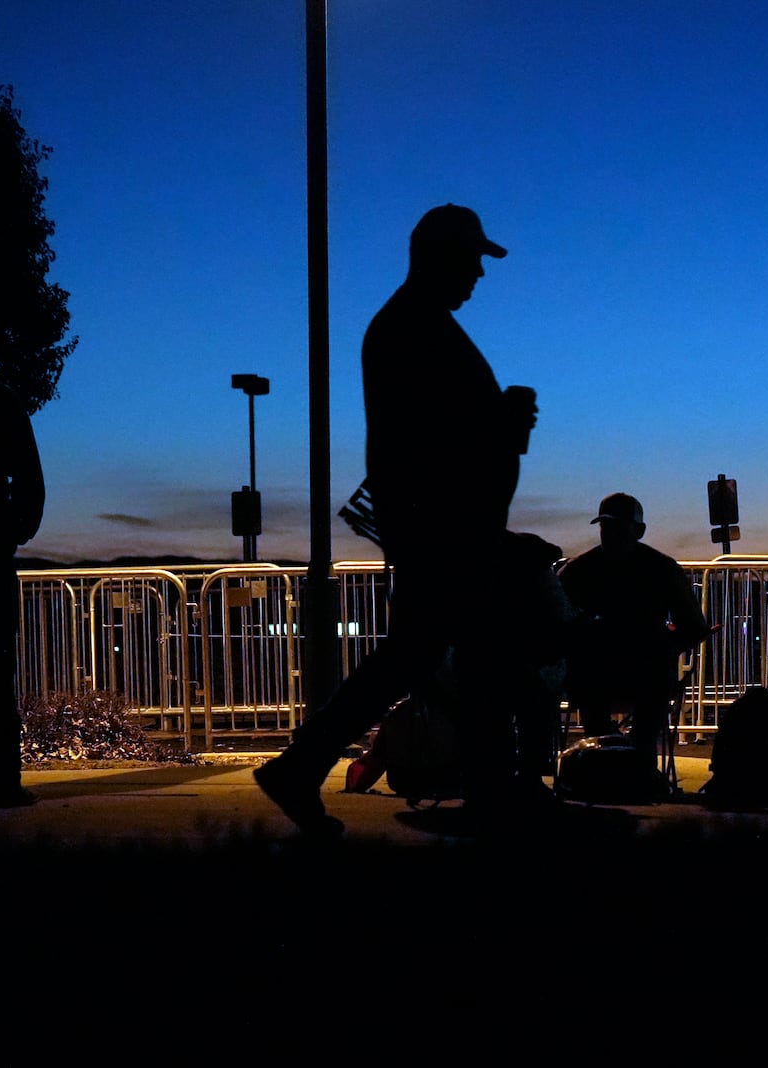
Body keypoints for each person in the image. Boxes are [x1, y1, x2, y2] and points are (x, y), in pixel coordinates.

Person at [255, 203, 541, 836]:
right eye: (472, 259)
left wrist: (498, 429)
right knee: (465, 656)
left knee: (439, 657)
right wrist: (502, 425)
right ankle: (497, 790)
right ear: (440, 256)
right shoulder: (413, 329)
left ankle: (305, 767)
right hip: (443, 530)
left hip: (436, 527)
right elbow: (434, 437)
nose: (479, 275)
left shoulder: (413, 325)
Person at [556, 492, 710, 764]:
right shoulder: (660, 568)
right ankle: (631, 760)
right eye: (606, 528)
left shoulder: (580, 570)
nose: (610, 535)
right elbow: (693, 627)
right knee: (636, 678)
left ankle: (609, 757)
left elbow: (693, 626)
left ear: (638, 530)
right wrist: (668, 642)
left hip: (621, 676)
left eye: (617, 527)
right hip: (618, 676)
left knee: (628, 677)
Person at [0, 389, 44, 808]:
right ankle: (0, 778)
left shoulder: (6, 405)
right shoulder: (5, 404)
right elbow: (31, 483)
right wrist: (13, 531)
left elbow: (30, 485)